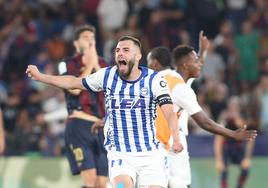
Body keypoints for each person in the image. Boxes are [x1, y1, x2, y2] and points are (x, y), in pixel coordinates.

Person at [26, 35, 183, 188]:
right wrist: (41, 77)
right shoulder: (107, 75)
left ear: (137, 56)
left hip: (151, 155)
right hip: (121, 155)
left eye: (126, 50)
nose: (120, 53)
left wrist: (176, 139)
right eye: (117, 50)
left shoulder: (154, 80)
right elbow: (73, 82)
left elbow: (169, 113)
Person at [147, 43, 257, 187]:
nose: (199, 64)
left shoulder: (158, 80)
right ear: (185, 65)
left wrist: (202, 51)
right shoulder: (180, 87)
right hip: (171, 141)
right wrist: (233, 134)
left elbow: (192, 72)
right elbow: (204, 122)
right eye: (196, 61)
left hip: (148, 143)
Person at [57, 24, 108, 188]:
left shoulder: (103, 64)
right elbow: (73, 89)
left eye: (92, 37)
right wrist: (88, 66)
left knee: (102, 182)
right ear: (76, 43)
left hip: (100, 125)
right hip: (79, 124)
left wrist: (95, 65)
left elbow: (110, 89)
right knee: (90, 179)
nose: (89, 40)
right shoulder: (67, 63)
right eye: (85, 38)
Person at [214, 96, 255, 188]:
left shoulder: (243, 119)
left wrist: (247, 157)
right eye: (231, 107)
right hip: (227, 148)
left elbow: (250, 139)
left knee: (245, 169)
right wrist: (218, 160)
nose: (233, 110)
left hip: (239, 149)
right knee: (223, 171)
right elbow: (218, 140)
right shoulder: (224, 118)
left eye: (235, 107)